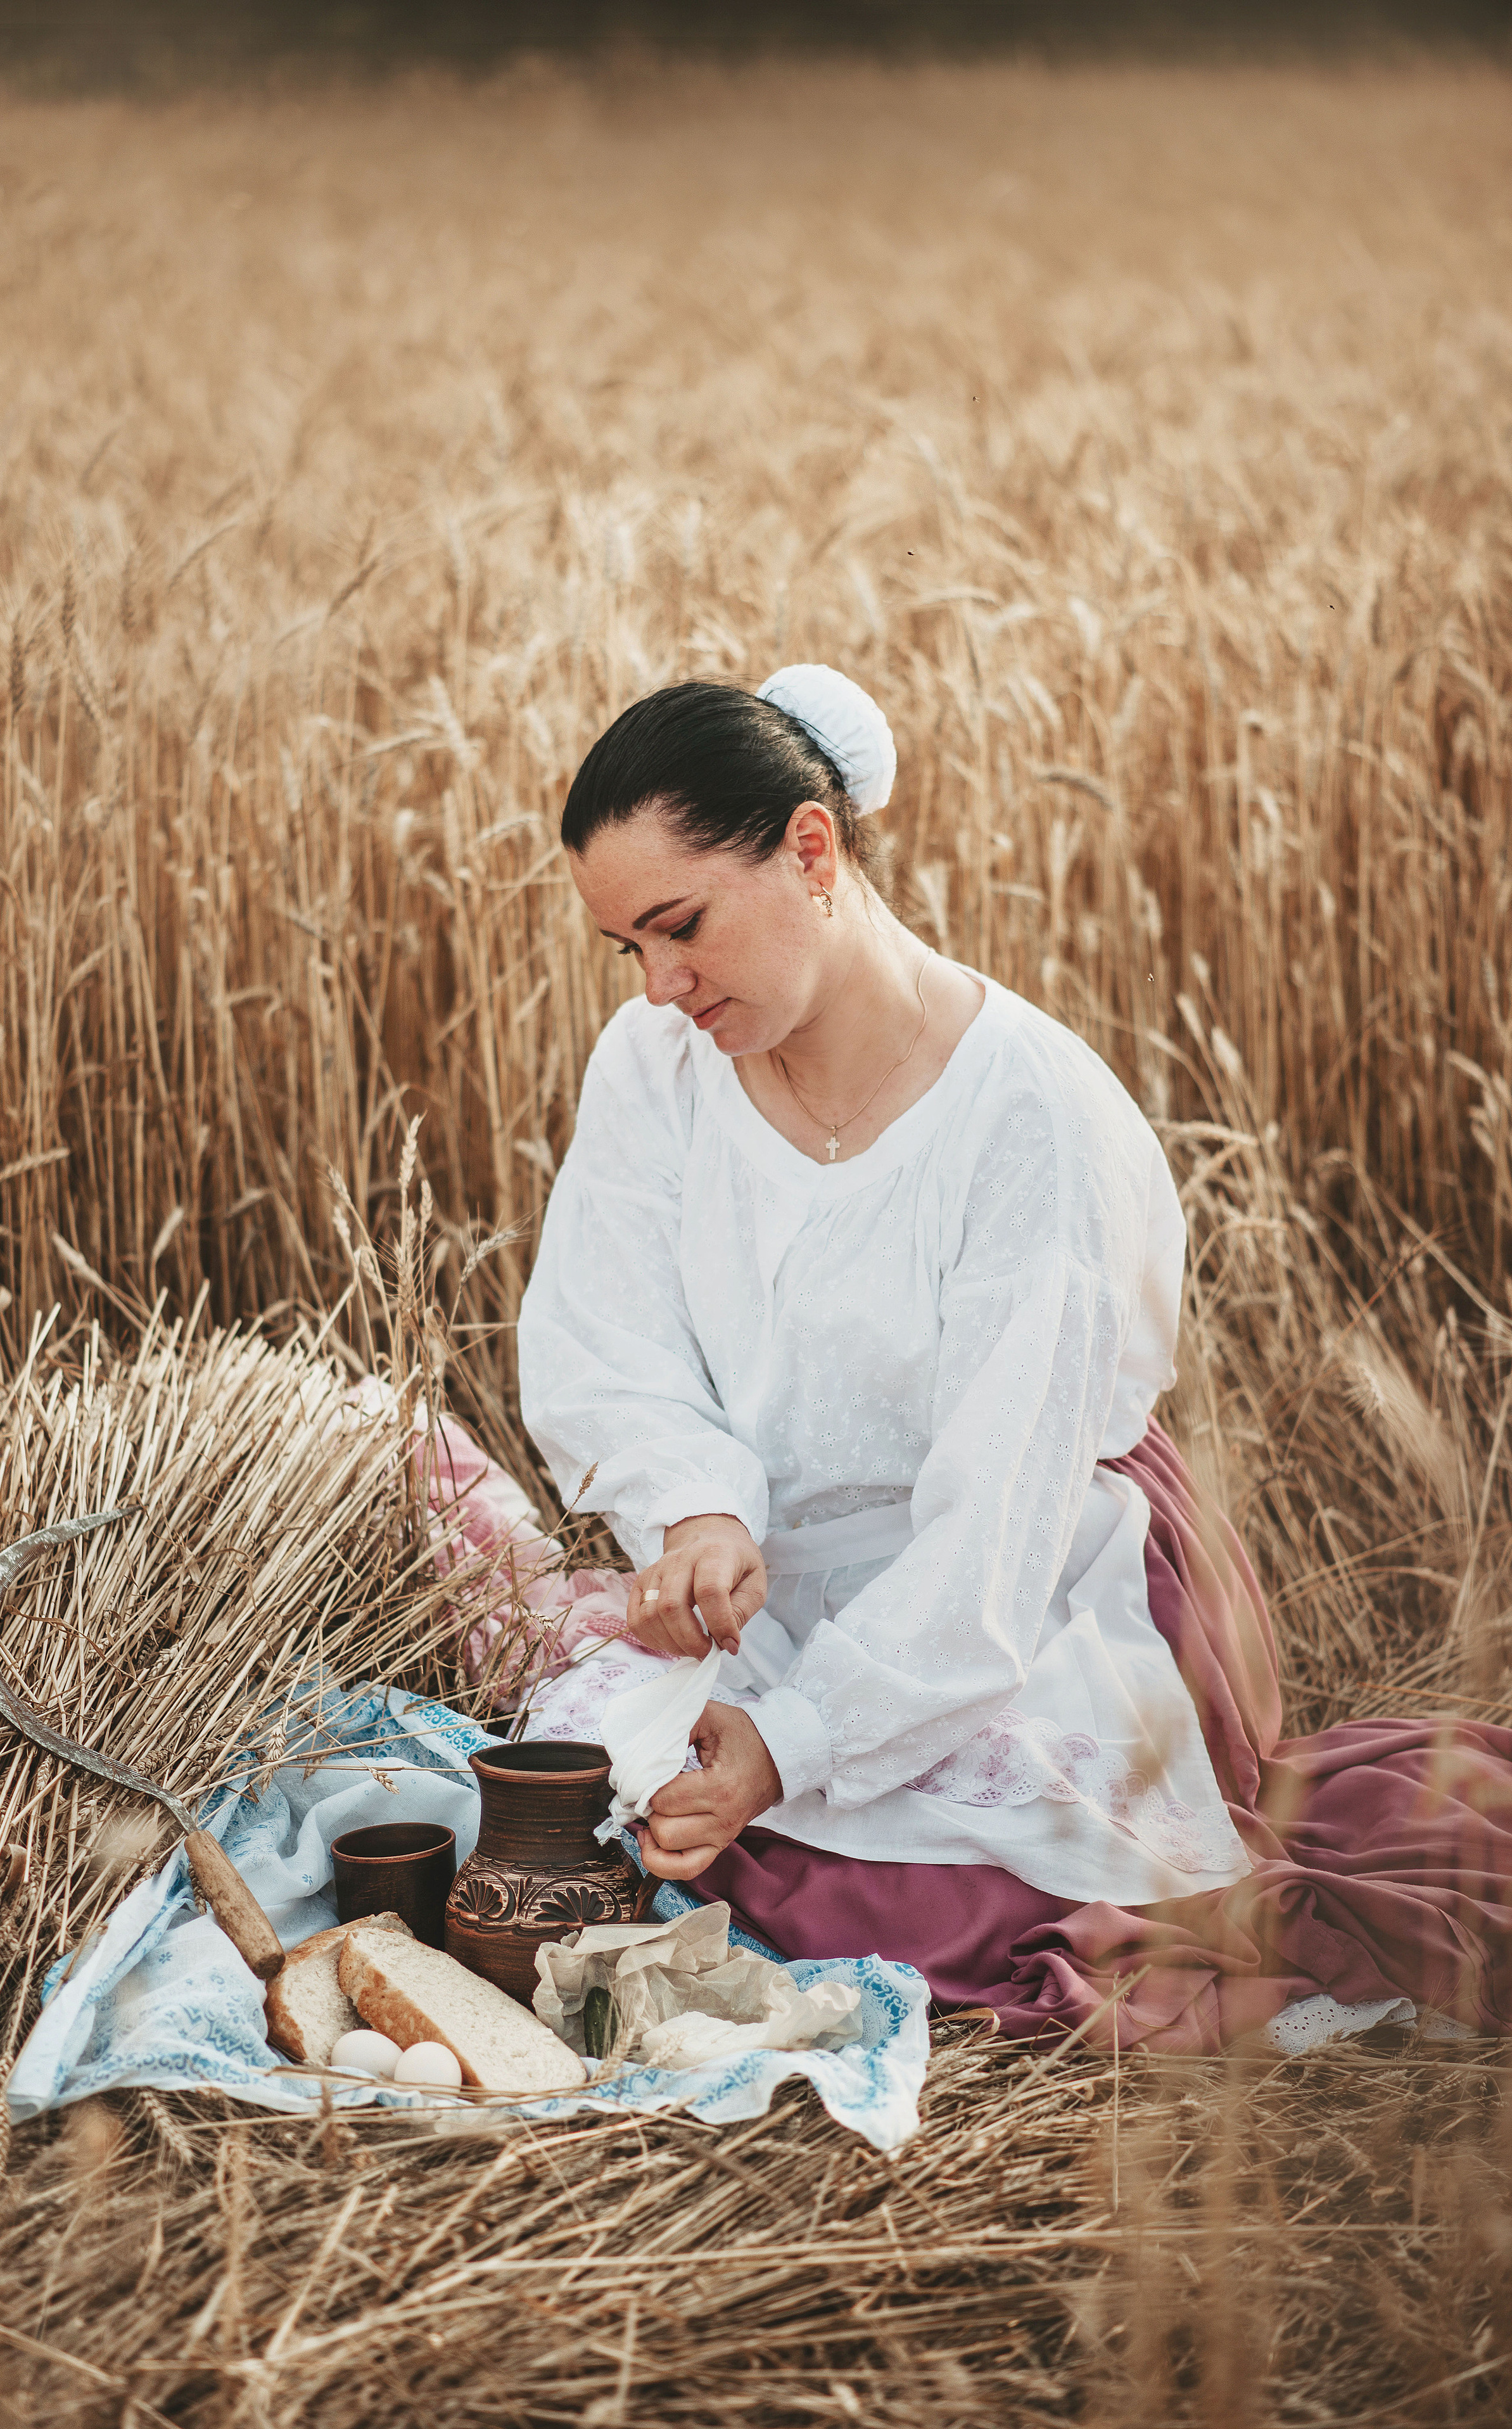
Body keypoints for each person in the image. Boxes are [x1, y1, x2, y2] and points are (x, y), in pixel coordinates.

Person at [514, 665, 1512, 2055]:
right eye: (627, 946)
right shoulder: (652, 1064)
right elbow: (603, 1333)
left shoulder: (1030, 1121)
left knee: (905, 1901)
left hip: (1035, 1577)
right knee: (597, 1812)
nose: (660, 984)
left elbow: (993, 1530)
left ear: (811, 849)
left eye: (678, 928)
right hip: (777, 1576)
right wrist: (698, 1509)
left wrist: (792, 1743)